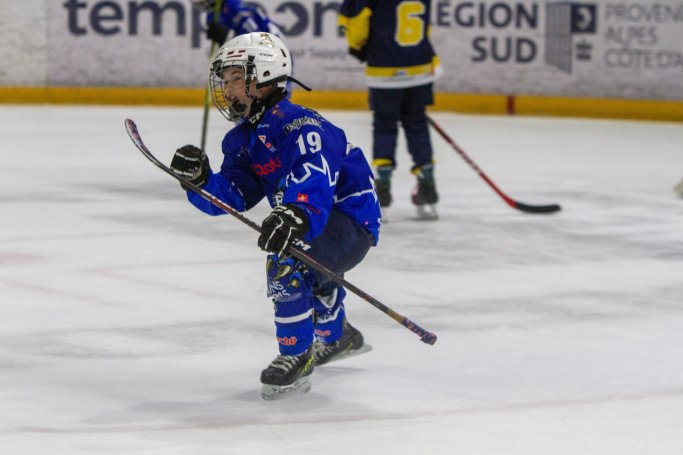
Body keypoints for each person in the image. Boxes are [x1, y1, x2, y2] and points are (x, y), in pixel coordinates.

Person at [169, 32, 381, 400]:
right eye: (226, 80)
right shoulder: (243, 139)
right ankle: (338, 337)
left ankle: (296, 356)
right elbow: (234, 195)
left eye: (237, 79)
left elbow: (315, 176)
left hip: (351, 220)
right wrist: (201, 183)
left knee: (288, 260)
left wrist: (296, 213)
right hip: (316, 219)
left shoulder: (300, 125)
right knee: (310, 265)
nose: (228, 89)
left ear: (264, 77)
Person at [338, 0, 443, 217]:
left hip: (385, 68)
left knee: (384, 126)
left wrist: (359, 46)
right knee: (417, 124)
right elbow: (425, 24)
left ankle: (383, 187)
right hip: (420, 66)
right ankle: (427, 184)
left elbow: (356, 23)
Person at [190, 0, 283, 46]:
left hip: (274, 46)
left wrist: (228, 38)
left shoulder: (235, 7)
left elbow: (258, 38)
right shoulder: (212, 15)